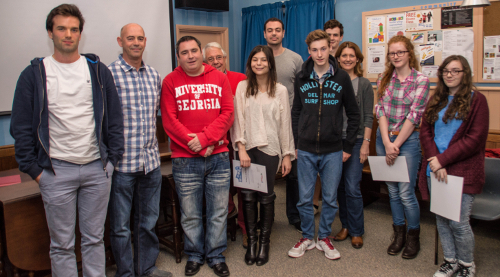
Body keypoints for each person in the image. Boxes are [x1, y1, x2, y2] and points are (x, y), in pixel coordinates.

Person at [9, 4, 124, 276]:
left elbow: (115, 120)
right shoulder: (34, 74)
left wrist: (112, 163)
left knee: (95, 239)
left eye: (74, 29)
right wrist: (36, 172)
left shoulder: (97, 70)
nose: (68, 34)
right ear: (51, 32)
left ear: (80, 34)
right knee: (62, 245)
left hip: (98, 170)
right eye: (61, 28)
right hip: (56, 172)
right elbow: (21, 127)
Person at [161, 36, 234, 277]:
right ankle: (194, 254)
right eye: (185, 52)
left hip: (218, 157)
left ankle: (215, 255)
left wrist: (204, 140)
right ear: (178, 56)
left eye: (194, 51)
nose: (191, 56)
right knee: (190, 213)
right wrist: (199, 147)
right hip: (185, 160)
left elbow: (227, 113)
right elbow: (170, 121)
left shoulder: (219, 78)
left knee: (218, 211)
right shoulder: (170, 81)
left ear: (201, 53)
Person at [288, 30, 359, 260]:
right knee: (305, 198)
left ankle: (325, 237)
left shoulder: (341, 78)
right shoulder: (301, 77)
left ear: (330, 49)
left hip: (333, 149)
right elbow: (296, 112)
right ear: (308, 51)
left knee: (329, 198)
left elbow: (354, 114)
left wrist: (347, 147)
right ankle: (308, 236)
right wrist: (296, 144)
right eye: (314, 50)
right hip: (306, 149)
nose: (319, 54)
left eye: (323, 49)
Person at [108, 24, 171, 277]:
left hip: (150, 163)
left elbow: (157, 115)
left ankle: (146, 268)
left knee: (147, 222)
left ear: (145, 41)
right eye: (130, 38)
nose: (136, 42)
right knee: (121, 227)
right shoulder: (109, 74)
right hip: (122, 165)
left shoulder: (154, 75)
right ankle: (125, 273)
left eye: (140, 38)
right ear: (120, 41)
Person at [419, 55, 489, 277]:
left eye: (455, 71)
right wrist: (434, 160)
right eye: (446, 70)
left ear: (465, 74)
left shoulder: (477, 100)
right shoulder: (436, 98)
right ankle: (450, 261)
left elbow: (474, 139)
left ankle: (467, 264)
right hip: (436, 168)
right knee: (441, 219)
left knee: (458, 222)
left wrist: (443, 160)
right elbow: (425, 131)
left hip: (462, 170)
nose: (449, 75)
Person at [231, 45, 295, 266]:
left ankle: (264, 243)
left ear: (270, 64)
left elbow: (285, 124)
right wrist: (240, 148)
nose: (259, 64)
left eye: (263, 60)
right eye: (254, 60)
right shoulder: (241, 87)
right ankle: (252, 243)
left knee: (266, 196)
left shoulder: (280, 90)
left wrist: (287, 155)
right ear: (250, 63)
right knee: (248, 197)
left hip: (270, 149)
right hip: (247, 149)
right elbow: (237, 119)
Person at [375, 35, 430, 259]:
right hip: (384, 140)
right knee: (392, 191)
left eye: (400, 52)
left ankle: (413, 236)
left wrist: (395, 145)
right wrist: (387, 142)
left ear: (409, 54)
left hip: (407, 142)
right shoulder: (383, 78)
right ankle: (398, 234)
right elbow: (380, 111)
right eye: (392, 53)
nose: (396, 56)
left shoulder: (421, 80)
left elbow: (414, 116)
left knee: (406, 192)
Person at [203, 42, 247, 248]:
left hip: (241, 143)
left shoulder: (240, 79)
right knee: (223, 189)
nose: (215, 62)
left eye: (218, 58)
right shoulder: (202, 81)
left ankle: (246, 228)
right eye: (210, 59)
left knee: (245, 186)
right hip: (216, 144)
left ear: (225, 58)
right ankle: (227, 222)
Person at [264, 17, 304, 232]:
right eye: (270, 30)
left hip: (291, 123)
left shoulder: (295, 59)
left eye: (277, 30)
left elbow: (302, 91)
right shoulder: (259, 58)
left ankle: (294, 215)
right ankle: (267, 215)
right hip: (266, 124)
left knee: (294, 174)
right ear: (264, 34)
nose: (274, 34)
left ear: (283, 33)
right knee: (266, 172)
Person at [333, 41, 374, 249]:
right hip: (334, 142)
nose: (347, 59)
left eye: (351, 55)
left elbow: (368, 116)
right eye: (344, 55)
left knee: (352, 186)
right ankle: (346, 226)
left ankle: (357, 230)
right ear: (338, 58)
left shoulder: (364, 84)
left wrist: (366, 143)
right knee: (339, 187)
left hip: (357, 141)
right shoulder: (333, 81)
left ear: (357, 59)